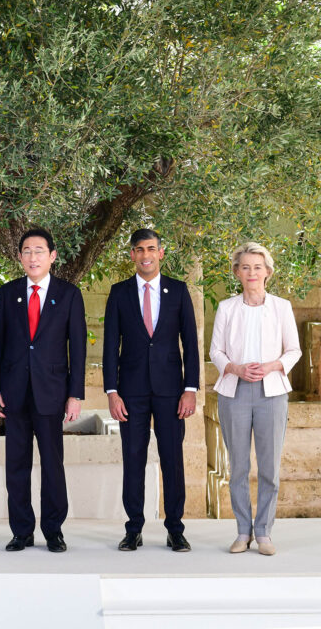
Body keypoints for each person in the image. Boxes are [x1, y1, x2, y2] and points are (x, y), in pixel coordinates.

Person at [0, 228, 86, 553]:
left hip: (52, 393)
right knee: (16, 465)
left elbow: (78, 349)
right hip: (14, 393)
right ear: (20, 257)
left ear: (52, 256)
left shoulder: (68, 294)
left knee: (52, 465)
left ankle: (53, 530)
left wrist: (75, 394)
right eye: (27, 251)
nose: (33, 257)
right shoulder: (8, 293)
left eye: (39, 251)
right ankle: (21, 531)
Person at [103, 228, 199, 552]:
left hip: (172, 392)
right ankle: (133, 529)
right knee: (133, 460)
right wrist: (112, 392)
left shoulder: (178, 291)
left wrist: (190, 388)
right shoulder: (119, 293)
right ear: (132, 254)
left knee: (172, 460)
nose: (146, 255)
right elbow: (110, 346)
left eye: (151, 249)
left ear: (161, 253)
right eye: (139, 249)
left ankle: (175, 529)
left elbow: (191, 344)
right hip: (130, 393)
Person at [209, 242, 300, 556]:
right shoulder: (226, 308)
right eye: (245, 267)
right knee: (238, 466)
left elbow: (294, 350)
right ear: (237, 272)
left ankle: (263, 532)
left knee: (269, 467)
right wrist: (235, 368)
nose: (252, 273)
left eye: (257, 267)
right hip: (234, 392)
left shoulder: (282, 307)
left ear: (268, 272)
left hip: (271, 393)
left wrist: (273, 366)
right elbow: (216, 351)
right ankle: (242, 531)